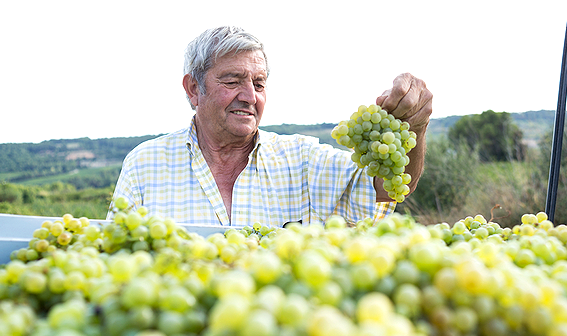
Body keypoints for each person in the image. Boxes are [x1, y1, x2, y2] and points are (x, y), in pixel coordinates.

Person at [108, 26, 432, 228]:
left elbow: (386, 188)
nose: (249, 96)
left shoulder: (302, 159)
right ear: (193, 89)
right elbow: (118, 253)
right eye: (232, 80)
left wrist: (416, 126)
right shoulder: (145, 164)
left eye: (259, 83)